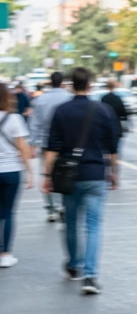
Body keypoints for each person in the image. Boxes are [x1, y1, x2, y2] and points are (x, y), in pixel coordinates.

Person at [43, 67, 119, 295]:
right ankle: (91, 276)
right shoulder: (103, 111)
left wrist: (47, 177)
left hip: (69, 177)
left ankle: (74, 265)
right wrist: (113, 172)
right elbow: (112, 148)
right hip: (96, 175)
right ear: (90, 85)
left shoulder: (61, 111)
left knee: (72, 223)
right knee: (93, 225)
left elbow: (52, 148)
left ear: (70, 85)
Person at [28, 71, 73, 224]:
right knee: (64, 172)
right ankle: (62, 205)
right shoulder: (69, 97)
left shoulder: (41, 100)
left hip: (46, 143)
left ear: (50, 83)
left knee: (46, 174)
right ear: (62, 83)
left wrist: (32, 144)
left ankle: (50, 209)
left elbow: (35, 124)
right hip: (65, 142)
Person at [0, 83, 34, 268]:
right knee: (7, 213)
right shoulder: (15, 119)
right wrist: (30, 172)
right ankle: (4, 254)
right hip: (11, 171)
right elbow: (23, 148)